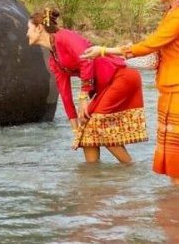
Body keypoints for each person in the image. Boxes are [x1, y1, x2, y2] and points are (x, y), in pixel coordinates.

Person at [82, 0, 179, 184]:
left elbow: (149, 46)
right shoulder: (173, 11)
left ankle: (178, 211)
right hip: (172, 88)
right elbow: (156, 54)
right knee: (169, 153)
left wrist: (106, 51)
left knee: (177, 156)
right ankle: (173, 212)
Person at [28, 8, 148, 163]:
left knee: (97, 125)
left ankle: (131, 168)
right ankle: (91, 181)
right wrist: (74, 125)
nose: (26, 33)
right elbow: (64, 93)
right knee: (84, 133)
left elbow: (87, 60)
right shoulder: (54, 59)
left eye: (28, 29)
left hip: (121, 77)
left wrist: (83, 97)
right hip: (106, 86)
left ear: (39, 28)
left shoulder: (64, 37)